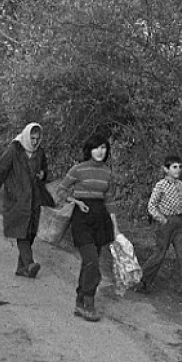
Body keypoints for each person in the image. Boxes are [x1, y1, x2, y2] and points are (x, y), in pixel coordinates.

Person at [55, 133, 119, 322]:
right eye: (96, 148)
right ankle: (88, 302)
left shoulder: (108, 172)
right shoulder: (78, 169)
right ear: (89, 150)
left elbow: (110, 200)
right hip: (81, 218)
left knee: (89, 262)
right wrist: (75, 201)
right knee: (91, 261)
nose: (100, 151)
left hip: (100, 219)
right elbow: (60, 191)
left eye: (103, 148)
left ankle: (80, 301)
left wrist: (115, 227)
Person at [0, 122, 53, 278]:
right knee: (20, 231)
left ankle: (21, 268)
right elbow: (0, 171)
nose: (35, 141)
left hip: (34, 199)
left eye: (38, 138)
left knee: (30, 232)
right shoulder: (14, 150)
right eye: (32, 137)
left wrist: (43, 175)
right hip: (16, 198)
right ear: (26, 135)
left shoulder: (40, 152)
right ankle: (29, 263)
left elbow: (44, 170)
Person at [135, 155, 182, 297]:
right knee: (159, 254)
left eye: (180, 167)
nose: (178, 170)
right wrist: (161, 219)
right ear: (166, 169)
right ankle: (143, 281)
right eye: (174, 167)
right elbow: (151, 205)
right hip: (166, 224)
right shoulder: (160, 185)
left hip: (180, 224)